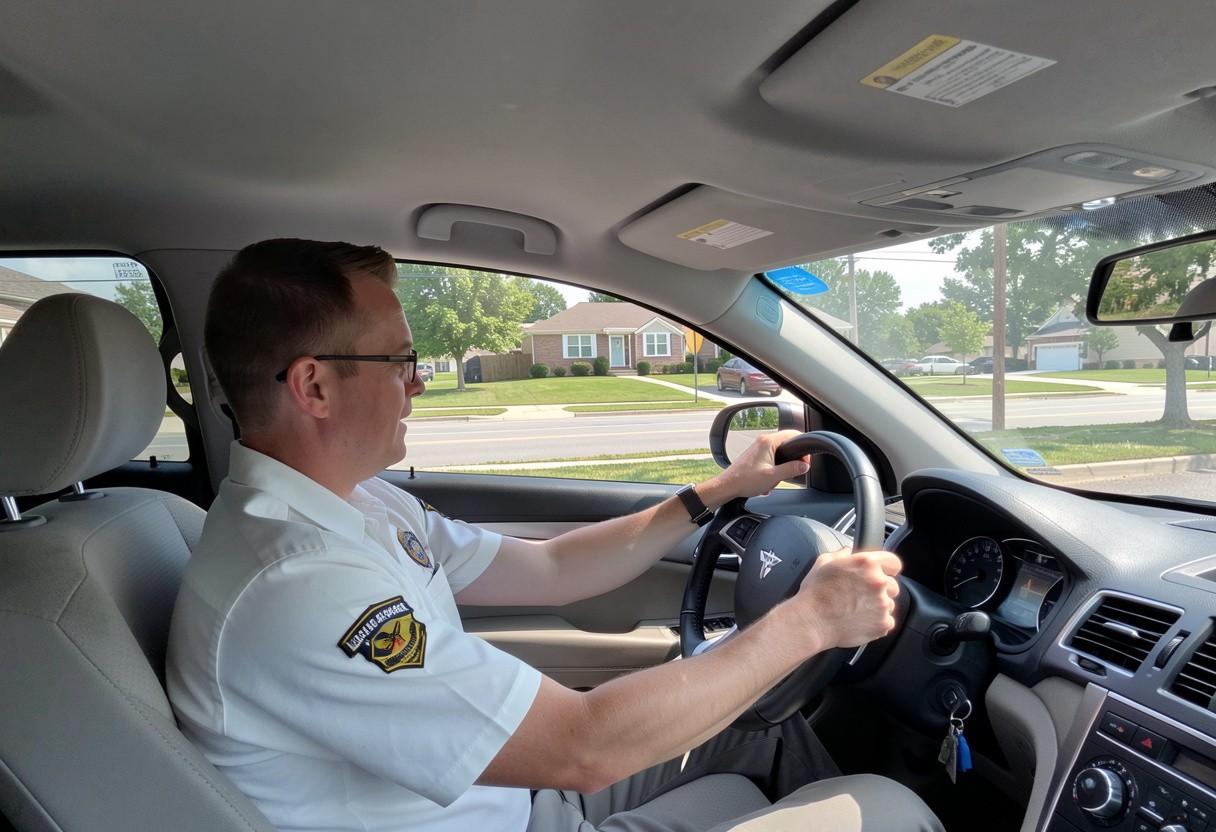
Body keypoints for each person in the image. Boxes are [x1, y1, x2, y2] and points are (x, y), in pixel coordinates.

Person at [166, 239, 943, 832]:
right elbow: (582, 747)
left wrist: (716, 492)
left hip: (519, 801)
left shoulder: (356, 506)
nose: (418, 382)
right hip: (523, 811)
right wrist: (810, 621)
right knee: (889, 811)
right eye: (400, 360)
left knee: (758, 731)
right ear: (314, 385)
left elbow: (550, 570)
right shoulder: (297, 582)